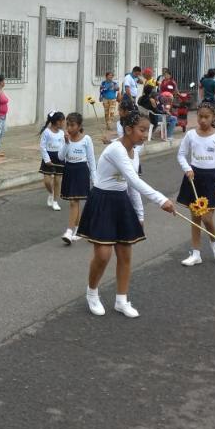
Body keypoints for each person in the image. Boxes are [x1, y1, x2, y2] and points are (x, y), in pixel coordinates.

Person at [77, 110, 174, 317]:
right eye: (141, 130)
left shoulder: (135, 151)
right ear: (128, 129)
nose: (145, 135)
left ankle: (121, 300)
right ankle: (92, 293)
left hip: (121, 202)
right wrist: (161, 199)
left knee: (125, 254)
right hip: (103, 200)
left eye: (147, 130)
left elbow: (132, 188)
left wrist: (139, 214)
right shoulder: (116, 150)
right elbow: (133, 179)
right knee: (103, 255)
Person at [176, 104, 215, 266]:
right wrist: (187, 168)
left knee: (206, 217)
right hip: (194, 178)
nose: (203, 120)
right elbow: (181, 155)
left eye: (207, 117)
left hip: (212, 179)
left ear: (213, 117)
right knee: (195, 218)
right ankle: (196, 253)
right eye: (200, 116)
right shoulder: (191, 135)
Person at [59, 112, 97, 244]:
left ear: (79, 126)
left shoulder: (86, 139)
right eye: (67, 125)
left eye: (72, 125)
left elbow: (91, 160)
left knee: (74, 202)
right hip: (69, 170)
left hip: (81, 171)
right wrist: (66, 143)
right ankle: (80, 229)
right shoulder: (66, 139)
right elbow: (60, 157)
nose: (69, 128)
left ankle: (69, 231)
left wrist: (95, 178)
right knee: (73, 202)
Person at [39, 111, 67, 211]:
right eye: (62, 121)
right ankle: (51, 193)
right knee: (47, 181)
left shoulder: (62, 133)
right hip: (49, 158)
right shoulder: (46, 132)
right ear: (56, 122)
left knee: (58, 181)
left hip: (59, 158)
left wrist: (65, 158)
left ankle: (55, 201)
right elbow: (42, 147)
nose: (64, 123)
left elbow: (64, 146)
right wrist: (47, 159)